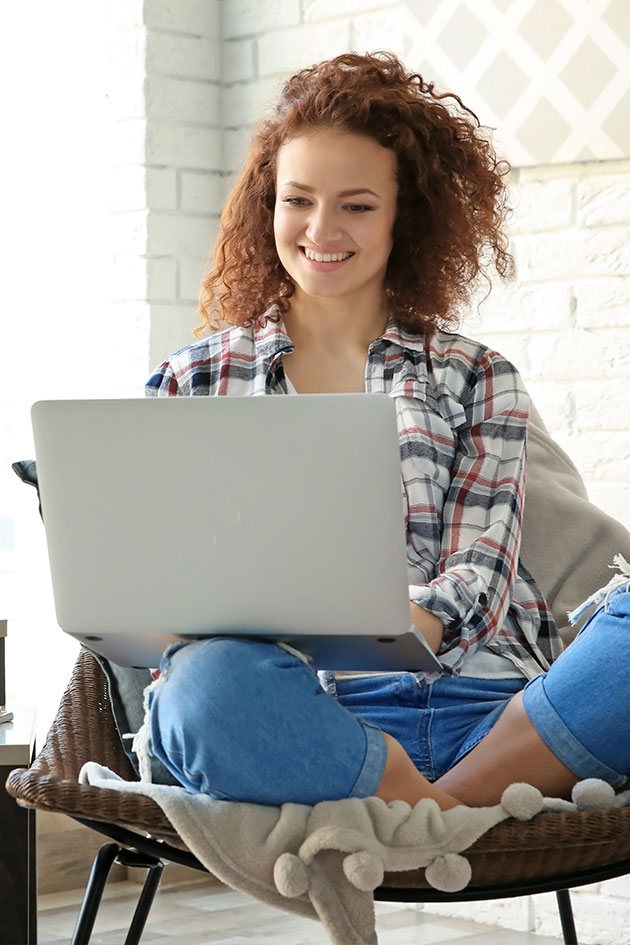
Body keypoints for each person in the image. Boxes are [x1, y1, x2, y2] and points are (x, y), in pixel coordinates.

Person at [144, 51, 630, 810]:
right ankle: (447, 817)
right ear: (268, 205)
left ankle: (416, 815)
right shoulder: (192, 381)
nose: (321, 229)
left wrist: (405, 620)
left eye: (358, 206)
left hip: (494, 717)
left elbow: (479, 574)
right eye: (297, 199)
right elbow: (163, 593)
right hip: (305, 717)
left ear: (406, 216)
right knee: (200, 687)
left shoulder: (477, 375)